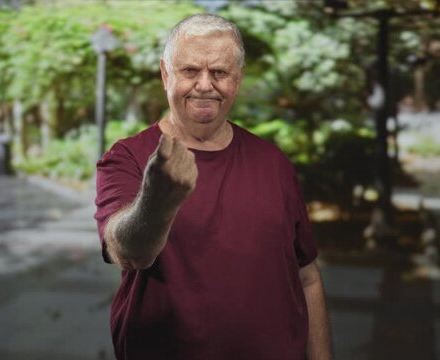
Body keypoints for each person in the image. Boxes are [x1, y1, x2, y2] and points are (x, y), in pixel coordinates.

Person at [94, 14, 332, 359]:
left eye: (219, 72)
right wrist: (156, 201)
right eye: (190, 71)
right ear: (166, 74)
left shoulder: (273, 162)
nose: (205, 85)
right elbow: (128, 252)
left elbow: (306, 275)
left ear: (238, 78)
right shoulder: (128, 157)